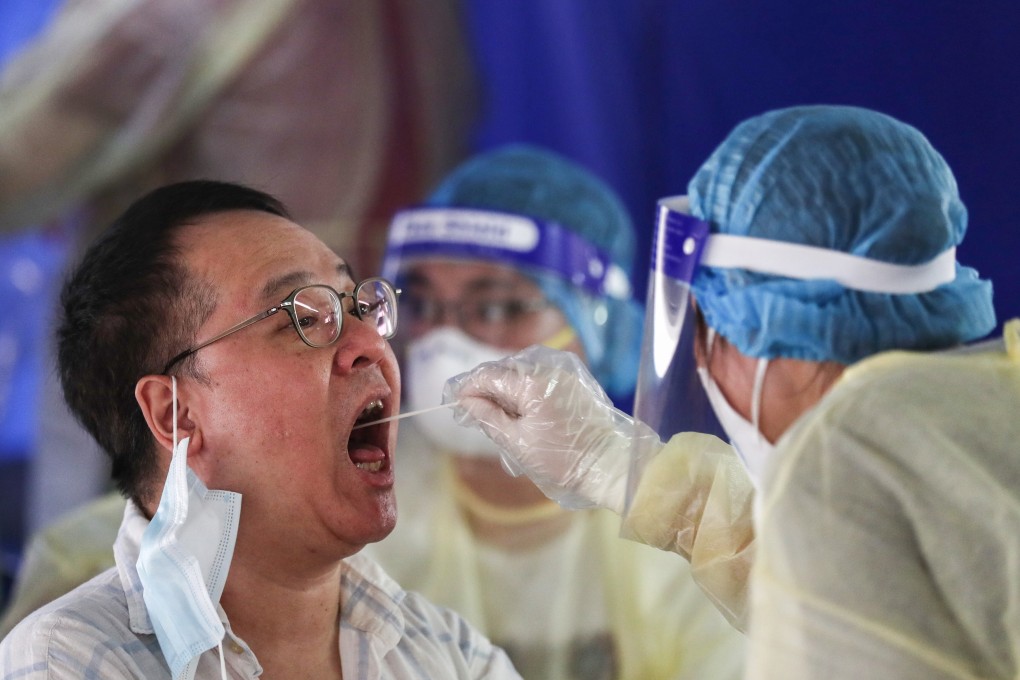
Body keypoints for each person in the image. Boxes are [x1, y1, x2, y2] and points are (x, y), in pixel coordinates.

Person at [444, 106, 1012, 677]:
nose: (703, 359)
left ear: (761, 332)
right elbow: (854, 589)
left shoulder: (846, 457)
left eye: (705, 331)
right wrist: (611, 466)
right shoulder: (990, 401)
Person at [0, 180, 520, 679]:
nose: (371, 344)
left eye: (358, 304)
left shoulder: (449, 655)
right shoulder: (71, 661)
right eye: (302, 318)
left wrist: (605, 477)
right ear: (174, 414)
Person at [362, 144, 746, 679]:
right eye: (423, 305)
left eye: (495, 307)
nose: (444, 342)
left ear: (596, 326)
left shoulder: (686, 535)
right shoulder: (366, 519)